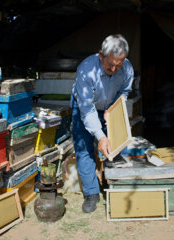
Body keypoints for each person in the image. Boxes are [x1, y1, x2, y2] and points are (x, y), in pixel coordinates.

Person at [70, 34, 134, 213]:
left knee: (119, 146)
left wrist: (113, 108)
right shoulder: (86, 71)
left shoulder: (127, 68)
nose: (114, 69)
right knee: (84, 149)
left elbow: (125, 92)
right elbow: (87, 109)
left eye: (118, 65)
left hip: (109, 109)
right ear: (100, 55)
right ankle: (91, 194)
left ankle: (118, 185)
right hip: (85, 107)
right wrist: (100, 137)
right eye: (110, 64)